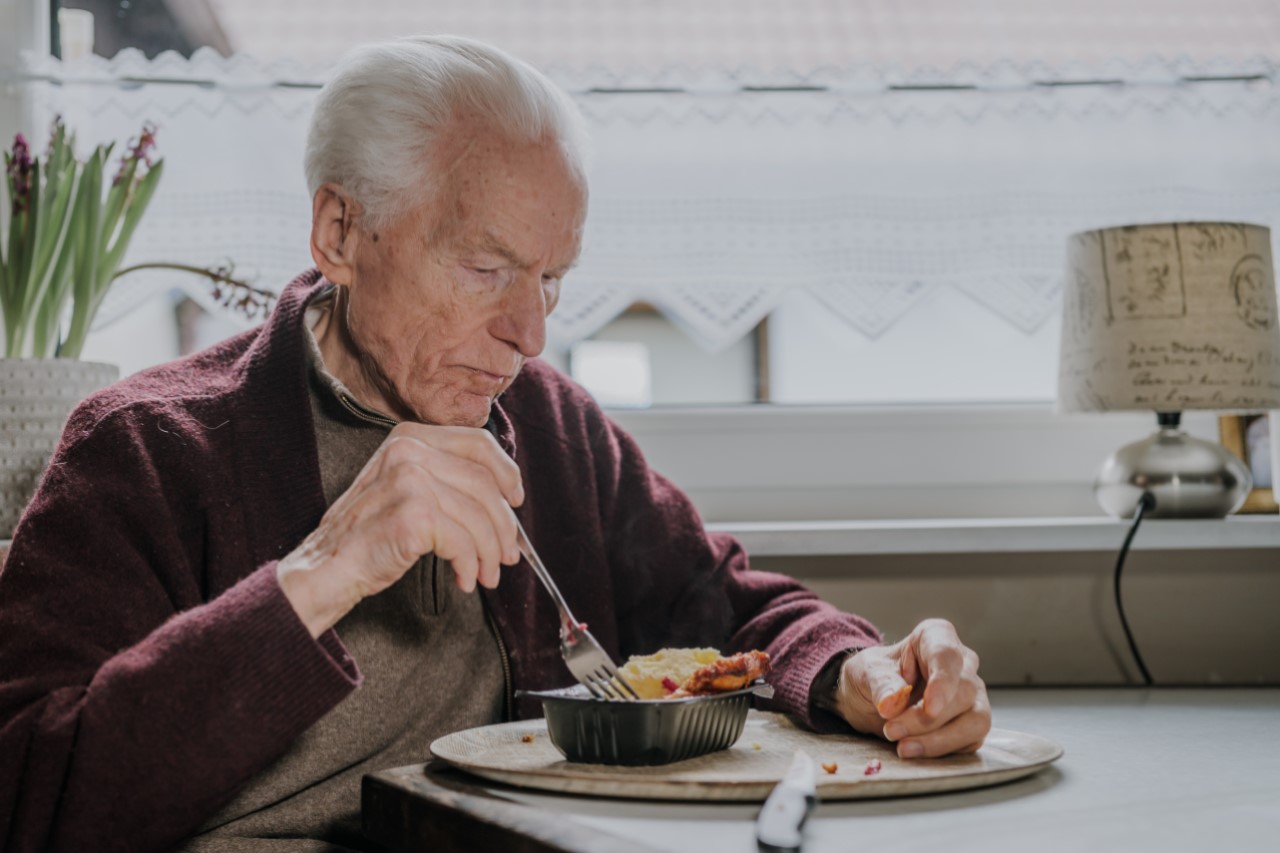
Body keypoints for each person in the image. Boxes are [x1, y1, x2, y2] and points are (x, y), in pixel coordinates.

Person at [0, 36, 989, 852]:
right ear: (340, 232)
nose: (529, 333)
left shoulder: (551, 428)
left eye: (550, 280)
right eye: (486, 268)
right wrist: (324, 567)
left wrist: (857, 672)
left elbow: (721, 607)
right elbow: (29, 793)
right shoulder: (143, 448)